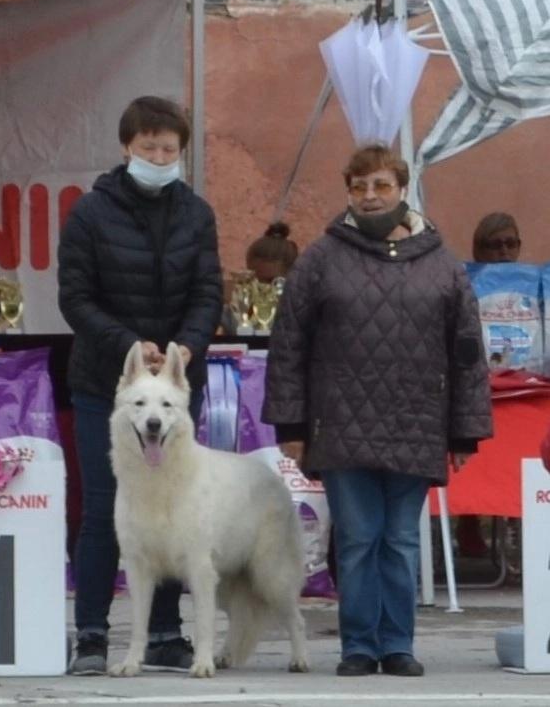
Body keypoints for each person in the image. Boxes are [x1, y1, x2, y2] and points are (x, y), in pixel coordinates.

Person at [261, 144, 492, 678]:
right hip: (341, 426)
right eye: (359, 187)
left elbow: (466, 351)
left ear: (401, 189)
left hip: (416, 424)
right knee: (360, 538)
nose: (370, 197)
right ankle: (359, 646)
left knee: (402, 539)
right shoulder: (319, 259)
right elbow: (289, 343)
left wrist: (464, 433)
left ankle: (399, 645)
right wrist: (292, 425)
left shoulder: (443, 264)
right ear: (348, 193)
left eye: (381, 186)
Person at [57, 95, 223, 675]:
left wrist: (185, 346)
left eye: (169, 148)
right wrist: (129, 343)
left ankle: (164, 634)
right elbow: (74, 298)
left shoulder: (197, 215)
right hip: (107, 386)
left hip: (172, 392)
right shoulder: (89, 214)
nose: (159, 155)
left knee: (175, 513)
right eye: (148, 146)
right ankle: (93, 635)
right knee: (106, 509)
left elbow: (208, 293)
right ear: (127, 147)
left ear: (181, 152)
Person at [456, 212, 522, 565]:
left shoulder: (532, 288)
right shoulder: (464, 286)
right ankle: (468, 520)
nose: (504, 252)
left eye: (511, 244)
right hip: (477, 384)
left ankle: (521, 522)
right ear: (478, 250)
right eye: (495, 245)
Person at [221, 221, 298, 334]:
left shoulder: (300, 314)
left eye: (271, 281)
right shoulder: (237, 309)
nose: (262, 288)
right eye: (254, 280)